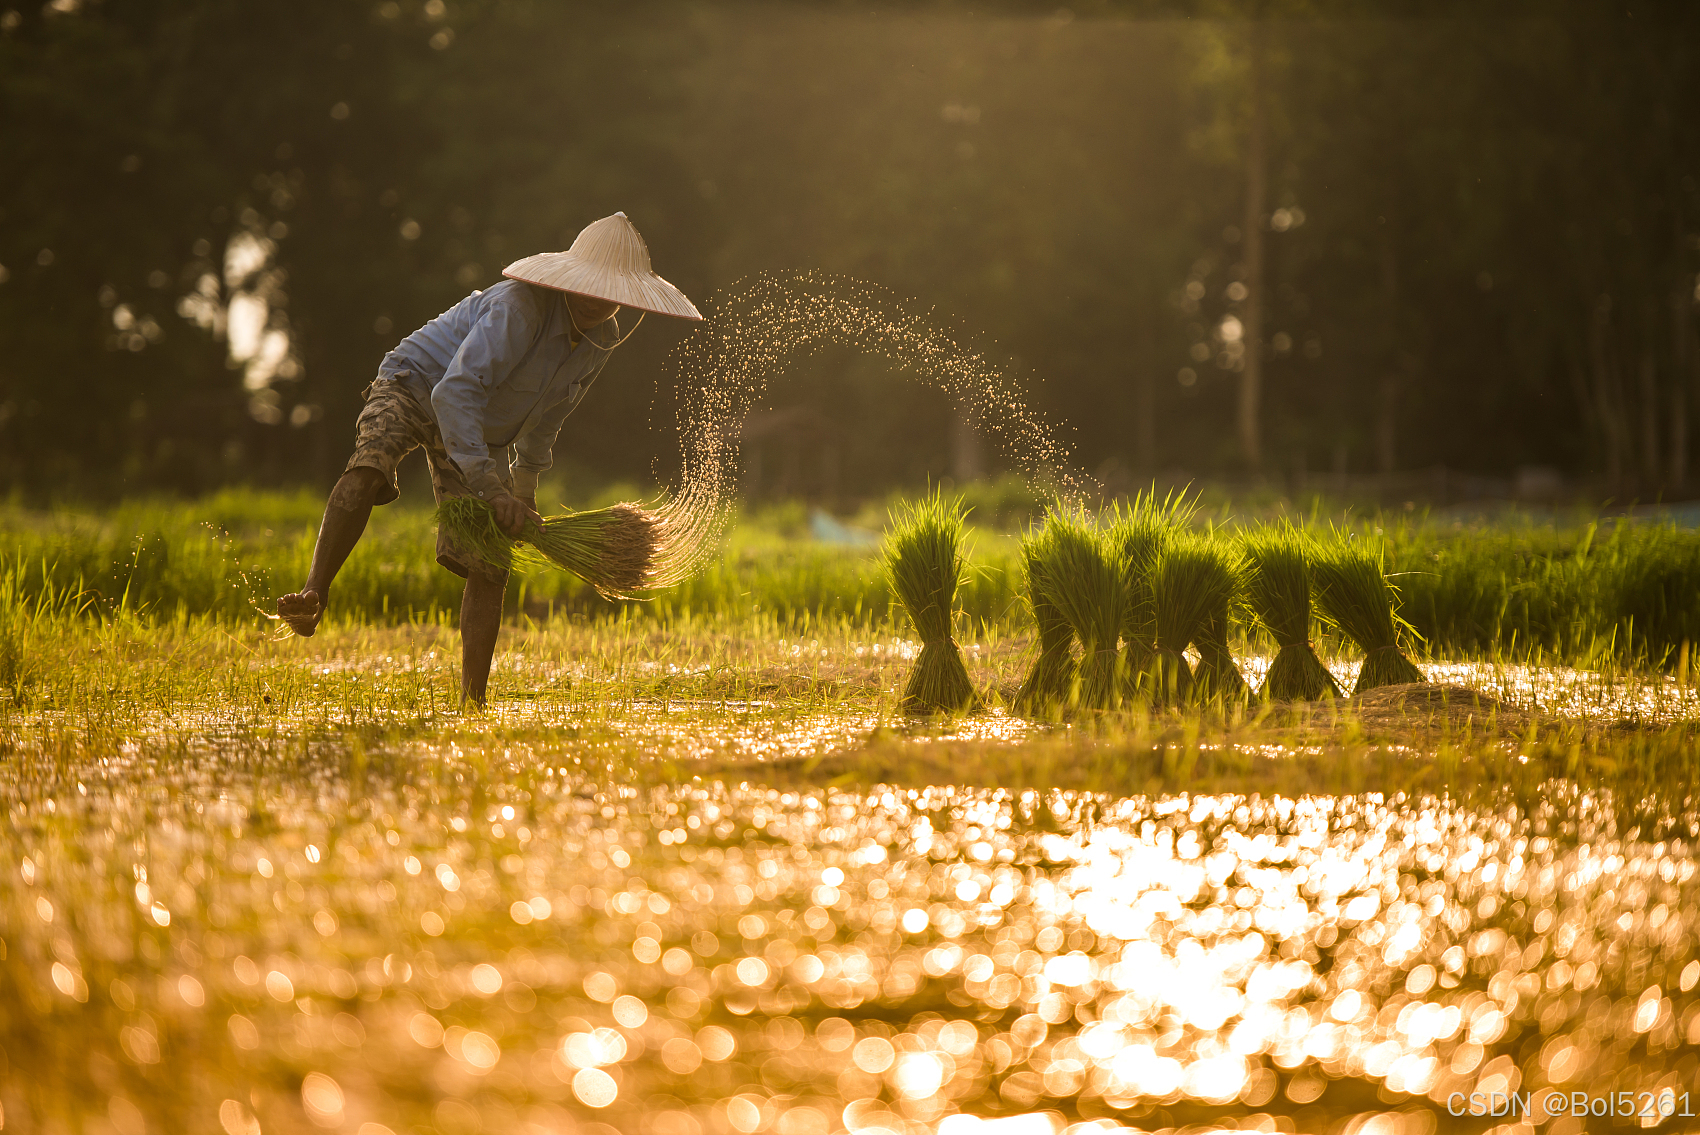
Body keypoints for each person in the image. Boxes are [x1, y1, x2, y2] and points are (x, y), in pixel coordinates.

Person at [275, 212, 701, 703]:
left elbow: (546, 422)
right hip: (416, 383)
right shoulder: (520, 309)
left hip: (481, 430)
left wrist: (521, 497)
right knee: (370, 469)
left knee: (491, 559)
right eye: (590, 286)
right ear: (570, 278)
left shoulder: (600, 340)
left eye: (609, 293)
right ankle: (314, 592)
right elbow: (454, 393)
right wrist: (491, 487)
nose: (595, 300)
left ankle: (472, 701)